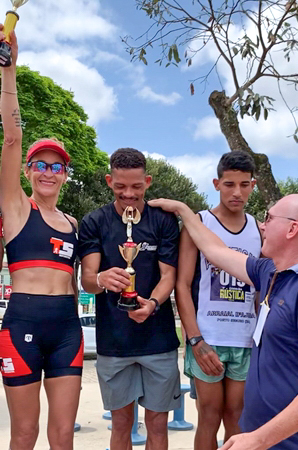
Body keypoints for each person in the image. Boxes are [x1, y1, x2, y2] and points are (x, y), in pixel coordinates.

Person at [150, 193, 298, 450]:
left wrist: (260, 438)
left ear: (292, 229)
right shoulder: (270, 273)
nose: (262, 225)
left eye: (269, 218)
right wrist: (183, 210)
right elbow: (215, 250)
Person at [0, 30, 83, 450]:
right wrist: (8, 72)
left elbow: (80, 281)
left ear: (66, 176)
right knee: (25, 434)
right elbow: (11, 138)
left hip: (68, 328)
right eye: (40, 165)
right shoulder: (16, 209)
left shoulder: (72, 221)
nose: (49, 172)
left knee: (63, 435)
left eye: (57, 166)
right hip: (22, 325)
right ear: (29, 170)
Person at [78, 148, 181, 450]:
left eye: (136, 187)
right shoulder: (94, 221)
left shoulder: (162, 221)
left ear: (147, 181)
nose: (129, 194)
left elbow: (168, 277)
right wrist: (101, 279)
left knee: (158, 426)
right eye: (120, 186)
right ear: (109, 181)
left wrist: (153, 305)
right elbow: (87, 279)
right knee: (121, 424)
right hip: (114, 342)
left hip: (158, 340)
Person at [175, 151, 262, 449]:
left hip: (245, 339)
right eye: (229, 184)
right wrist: (195, 341)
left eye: (244, 184)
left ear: (253, 185)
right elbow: (182, 286)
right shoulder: (199, 224)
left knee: (237, 418)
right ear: (216, 183)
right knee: (209, 417)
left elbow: (262, 290)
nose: (236, 192)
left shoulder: (260, 229)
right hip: (208, 339)